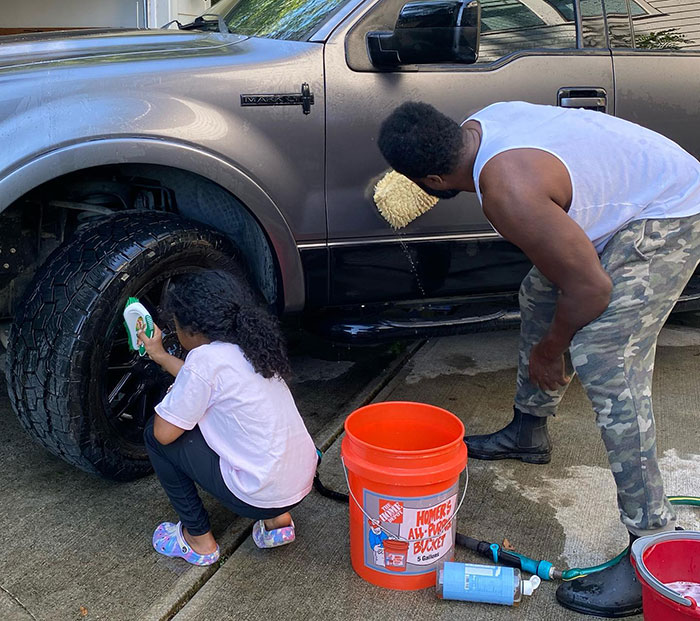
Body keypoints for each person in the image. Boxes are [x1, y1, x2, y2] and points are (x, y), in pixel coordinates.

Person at [377, 100, 700, 617]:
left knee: (607, 359)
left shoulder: (506, 192)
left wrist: (553, 351)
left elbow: (590, 291)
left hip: (670, 211)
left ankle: (651, 544)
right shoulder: (482, 121)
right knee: (539, 293)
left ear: (436, 178)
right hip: (638, 188)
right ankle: (527, 433)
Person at [138, 269, 318, 566]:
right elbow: (204, 381)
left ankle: (199, 542)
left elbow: (164, 433)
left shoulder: (204, 360)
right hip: (298, 484)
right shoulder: (251, 347)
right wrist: (159, 355)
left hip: (256, 495)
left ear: (192, 330)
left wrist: (171, 401)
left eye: (176, 327)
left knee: (153, 437)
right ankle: (278, 524)